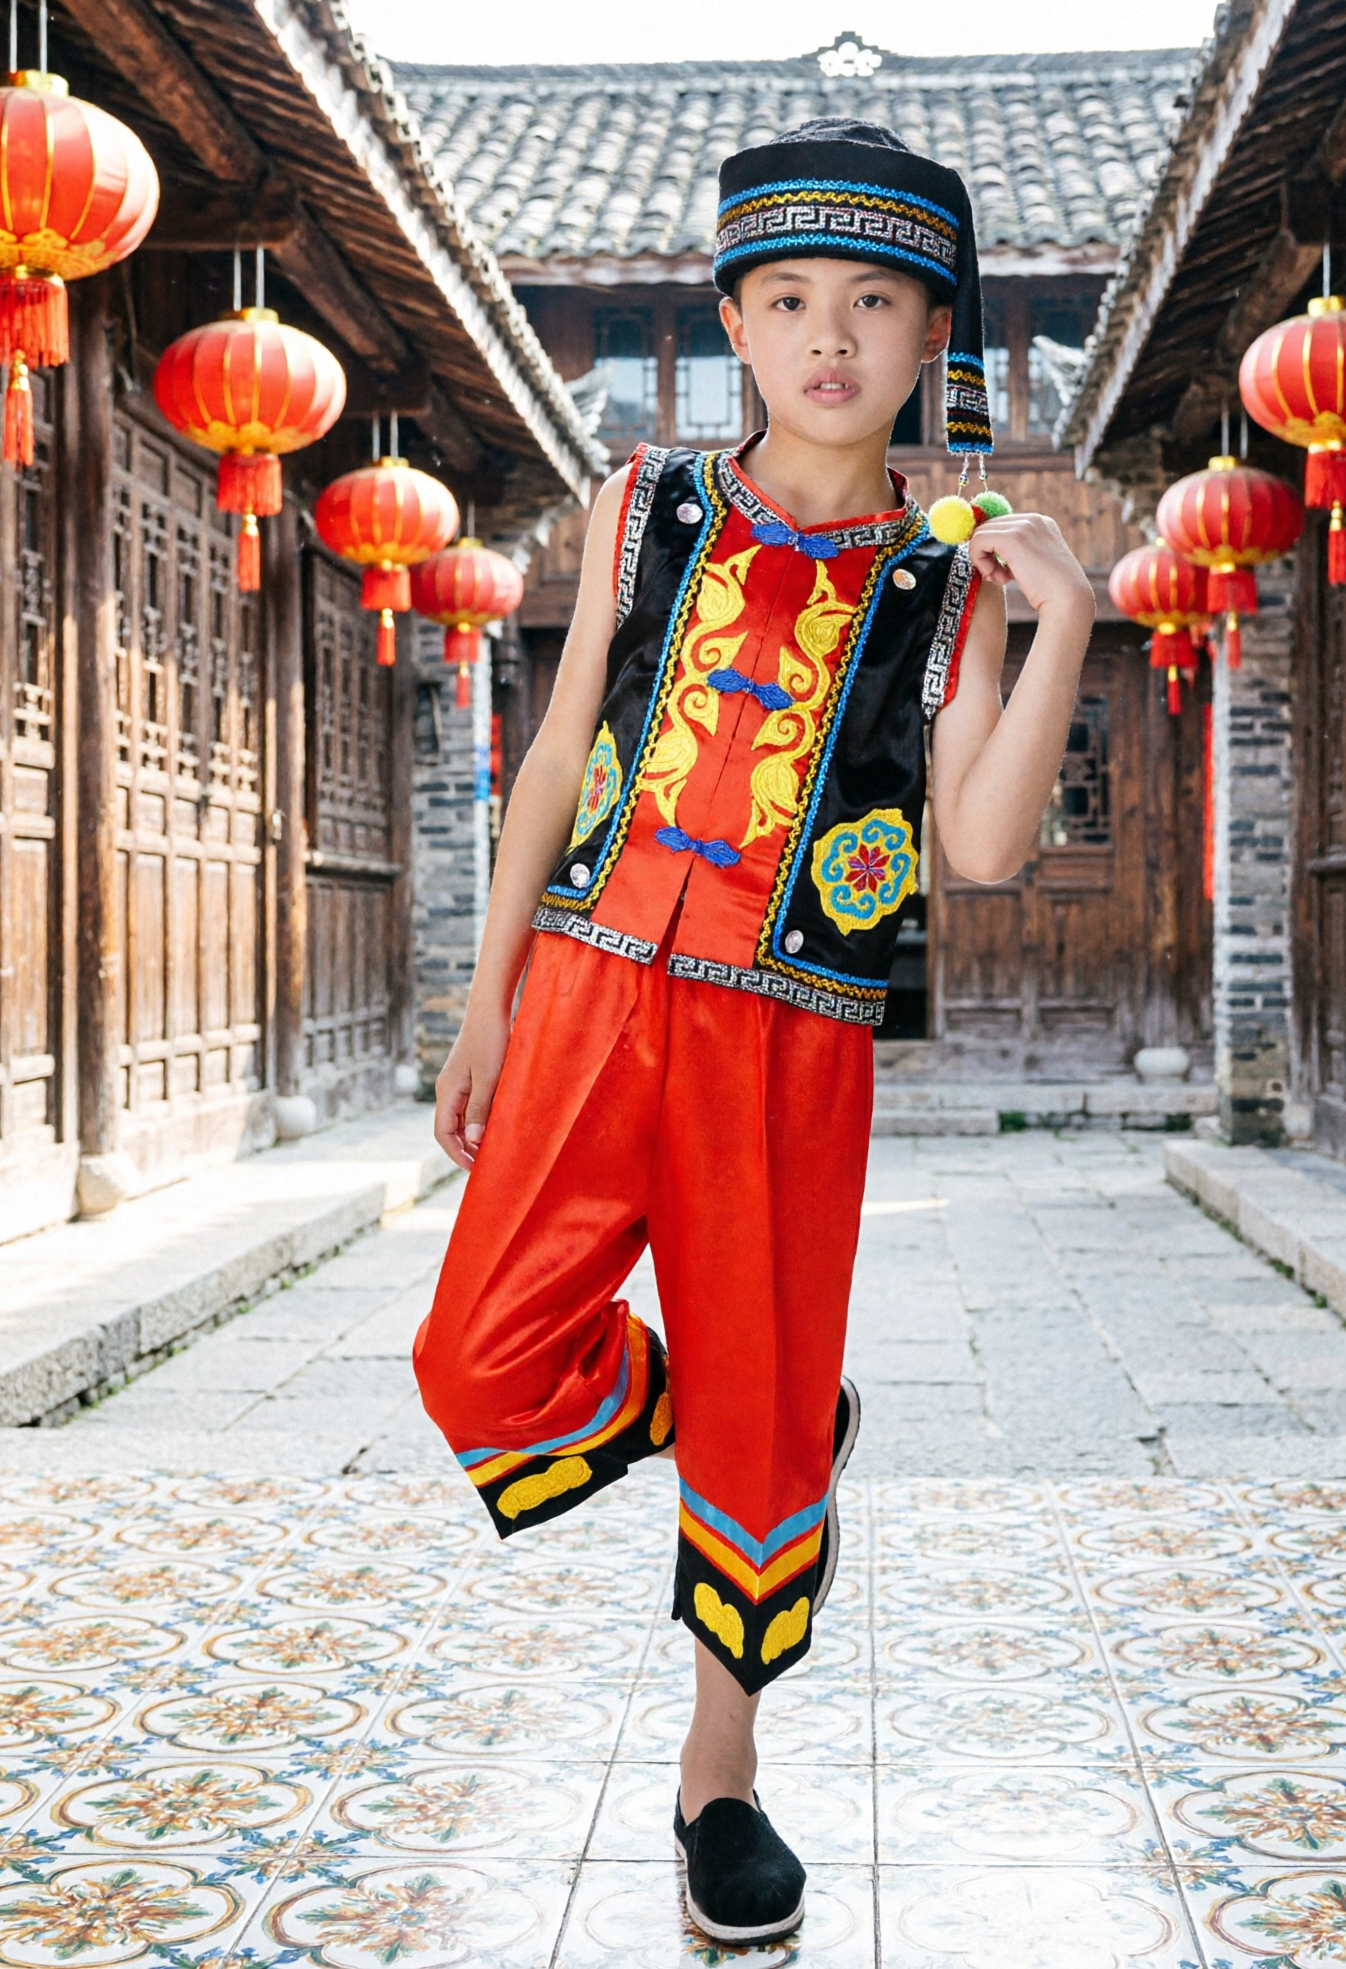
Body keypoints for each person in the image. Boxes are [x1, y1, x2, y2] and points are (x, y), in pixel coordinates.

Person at [412, 118, 1097, 1943]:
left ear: (927, 337)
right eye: (789, 298)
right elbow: (556, 758)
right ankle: (749, 1420)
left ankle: (723, 1780)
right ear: (734, 317)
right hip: (587, 996)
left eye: (875, 303)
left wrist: (1068, 631)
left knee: (761, 1417)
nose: (830, 338)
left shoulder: (948, 587)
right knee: (473, 1362)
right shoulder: (647, 507)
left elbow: (979, 840)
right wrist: (484, 1005)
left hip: (789, 1037)